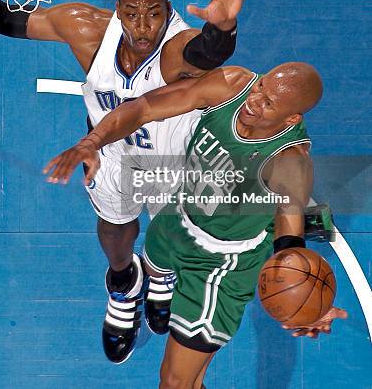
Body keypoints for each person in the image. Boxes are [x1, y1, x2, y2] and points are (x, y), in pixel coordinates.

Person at [0, 0, 259, 363]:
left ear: (167, 10)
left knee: (170, 237)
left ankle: (159, 277)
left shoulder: (176, 49)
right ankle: (124, 283)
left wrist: (223, 28)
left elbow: (206, 52)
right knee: (114, 230)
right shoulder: (85, 27)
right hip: (111, 152)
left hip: (173, 159)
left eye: (153, 15)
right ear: (117, 9)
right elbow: (5, 19)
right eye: (132, 14)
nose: (142, 27)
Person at [44, 62, 347, 387]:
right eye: (261, 87)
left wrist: (306, 300)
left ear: (291, 120)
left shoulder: (290, 163)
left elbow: (288, 245)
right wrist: (92, 142)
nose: (254, 99)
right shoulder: (233, 85)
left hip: (220, 266)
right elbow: (145, 107)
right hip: (180, 216)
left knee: (175, 382)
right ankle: (158, 287)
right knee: (155, 264)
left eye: (268, 103)